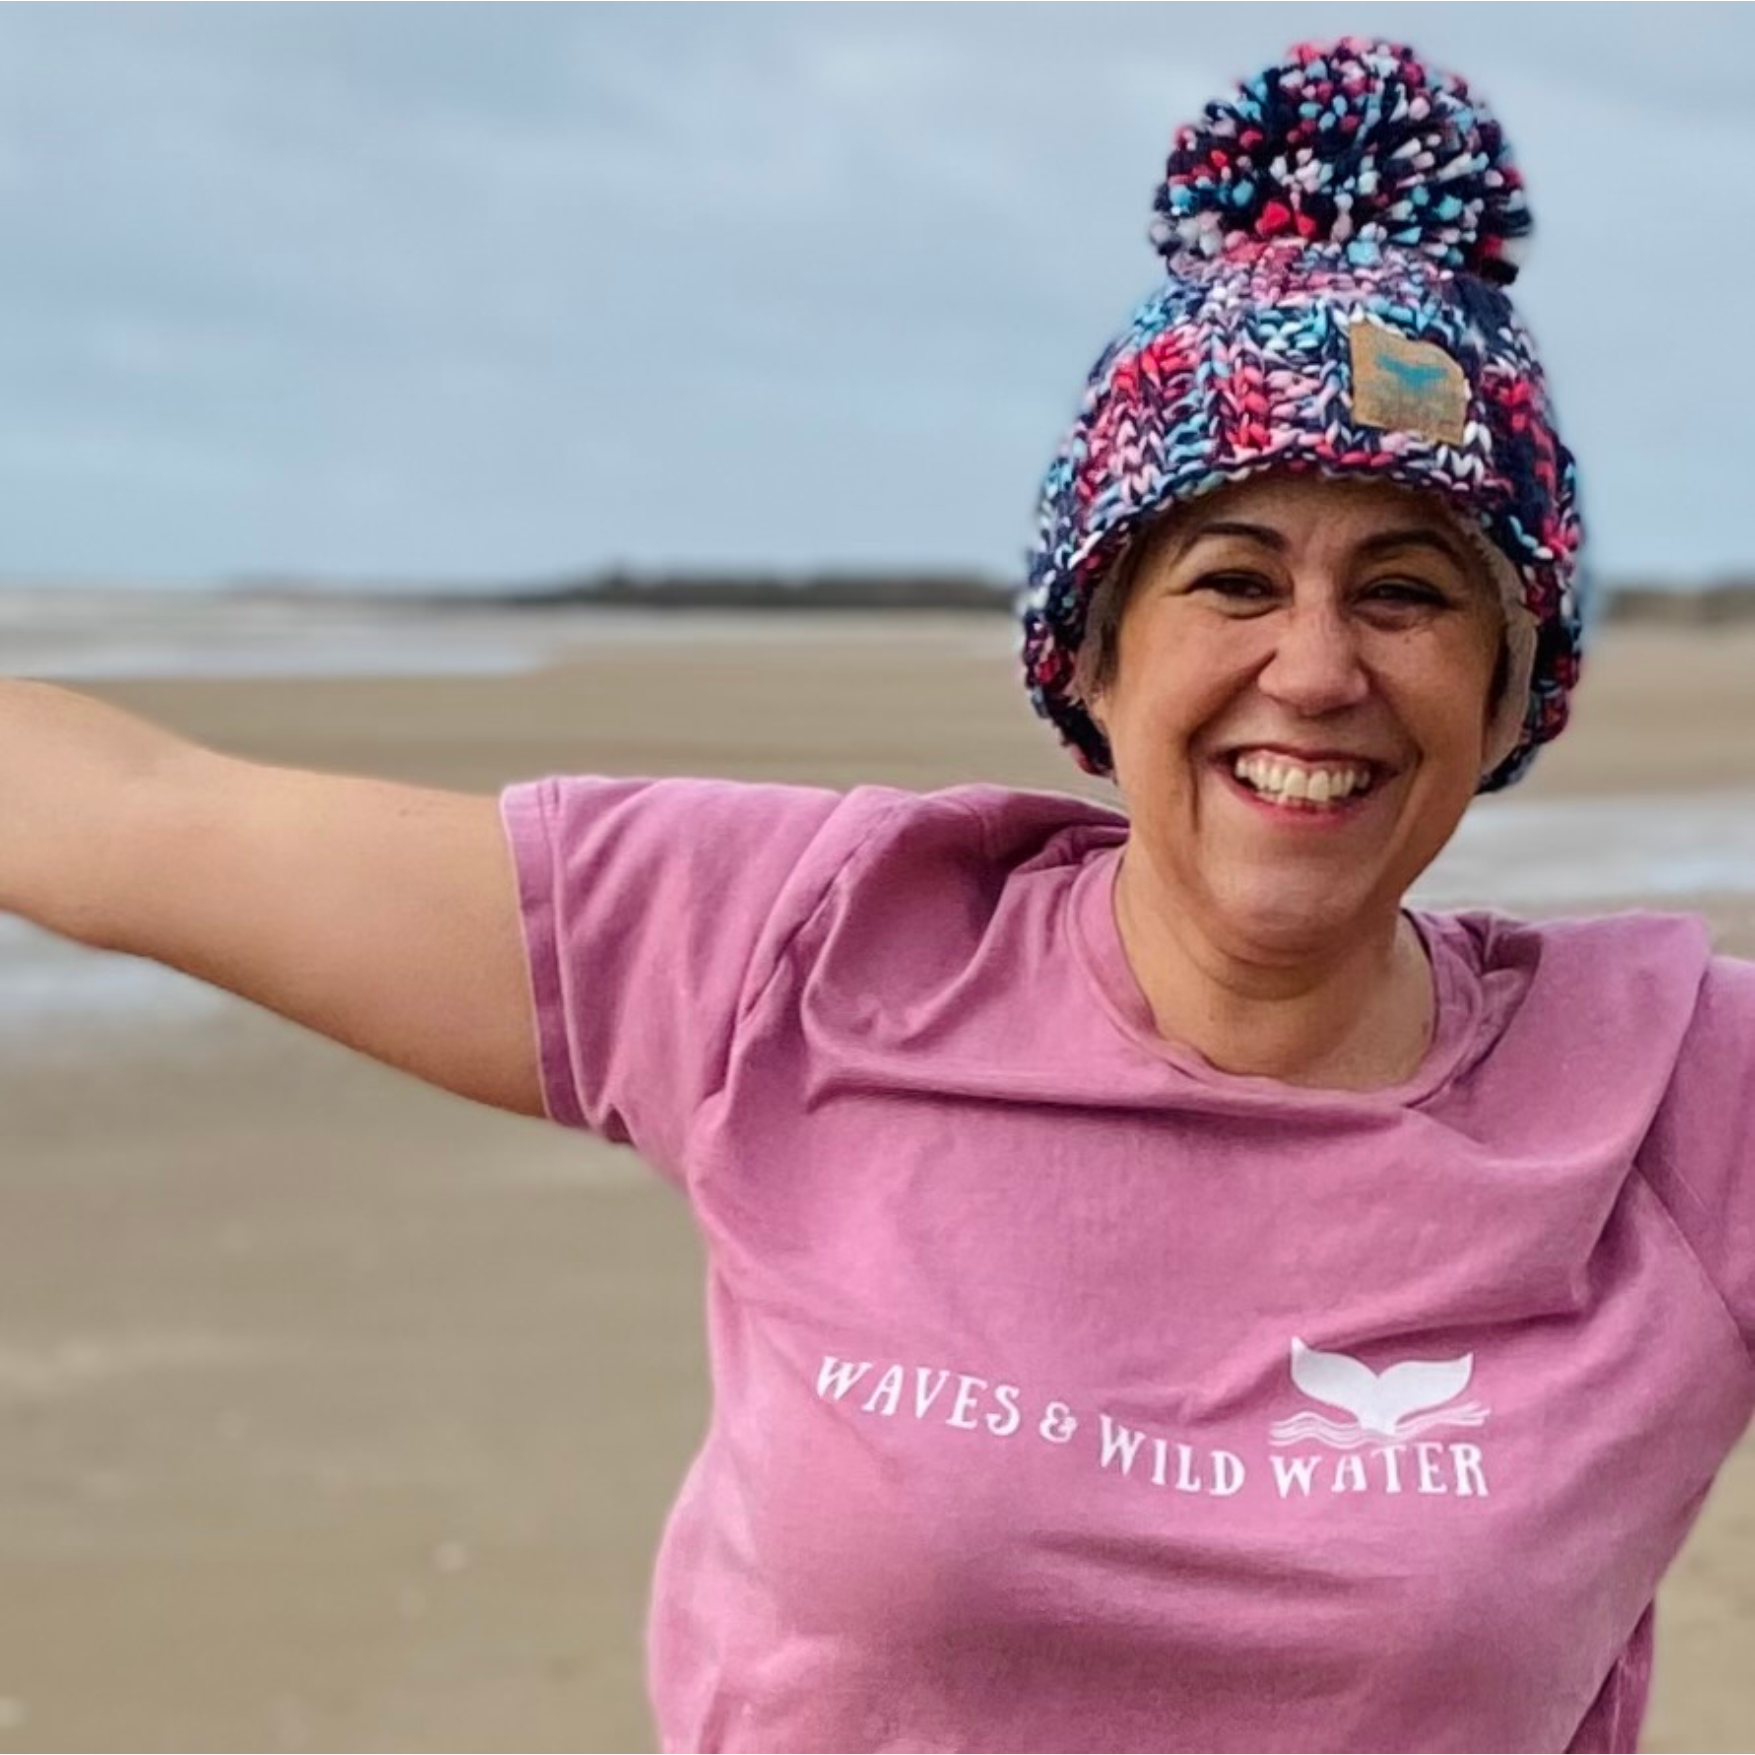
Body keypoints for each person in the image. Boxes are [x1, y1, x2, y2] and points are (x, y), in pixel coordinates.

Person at [3, 34, 1751, 1755]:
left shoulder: (1679, 1096)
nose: (1311, 668)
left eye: (1408, 592)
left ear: (1511, 689)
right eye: (1231, 576)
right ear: (1096, 652)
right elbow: (149, 824)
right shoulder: (806, 941)